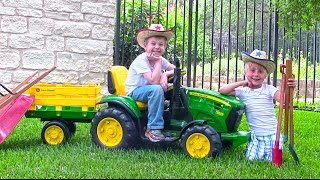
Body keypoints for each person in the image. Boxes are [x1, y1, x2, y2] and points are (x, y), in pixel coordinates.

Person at [218, 49, 296, 162]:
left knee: (272, 160)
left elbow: (285, 101)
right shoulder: (243, 92)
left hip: (273, 135)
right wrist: (242, 83)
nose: (256, 74)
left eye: (260, 71)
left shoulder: (269, 89)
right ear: (246, 72)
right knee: (251, 159)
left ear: (265, 75)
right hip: (256, 136)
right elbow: (222, 90)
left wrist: (290, 89)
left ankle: (275, 148)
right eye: (252, 70)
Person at [125, 24, 176, 142]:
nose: (157, 47)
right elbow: (153, 81)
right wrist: (158, 62)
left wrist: (165, 74)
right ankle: (152, 129)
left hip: (148, 90)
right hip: (135, 90)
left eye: (161, 44)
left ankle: (170, 123)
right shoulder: (141, 60)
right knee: (157, 89)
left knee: (172, 88)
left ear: (165, 46)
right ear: (145, 45)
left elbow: (179, 71)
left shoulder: (160, 59)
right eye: (153, 44)